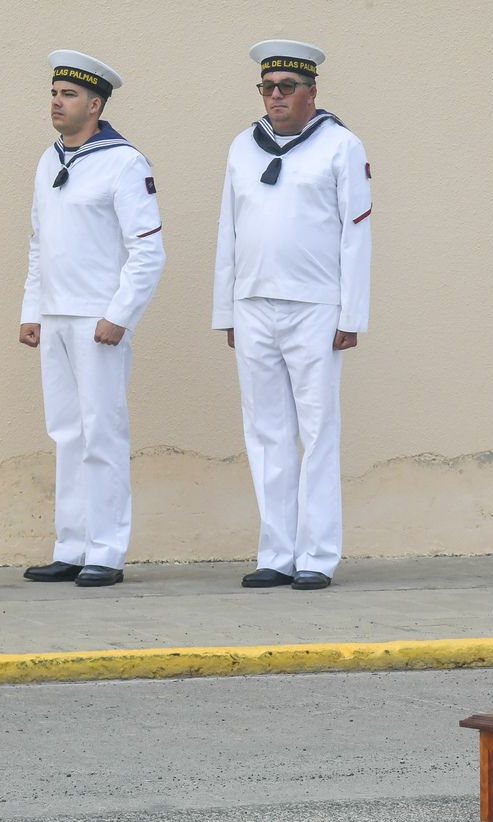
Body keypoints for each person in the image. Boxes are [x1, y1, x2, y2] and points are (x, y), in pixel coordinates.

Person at [212, 40, 372, 591]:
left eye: (287, 88)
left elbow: (356, 234)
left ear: (311, 92)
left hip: (314, 307)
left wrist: (351, 313)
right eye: (267, 88)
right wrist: (225, 308)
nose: (275, 97)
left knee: (317, 429)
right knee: (265, 431)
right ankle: (276, 553)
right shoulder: (242, 147)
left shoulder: (340, 146)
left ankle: (318, 556)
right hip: (254, 304)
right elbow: (227, 231)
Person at [19, 50, 166, 588]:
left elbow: (148, 251)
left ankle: (106, 550)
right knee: (67, 434)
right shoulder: (47, 159)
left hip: (97, 321)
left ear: (96, 104)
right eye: (55, 93)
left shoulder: (124, 162)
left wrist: (120, 315)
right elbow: (40, 244)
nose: (57, 102)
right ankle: (71, 545)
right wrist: (31, 310)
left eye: (70, 95)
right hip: (55, 316)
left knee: (102, 432)